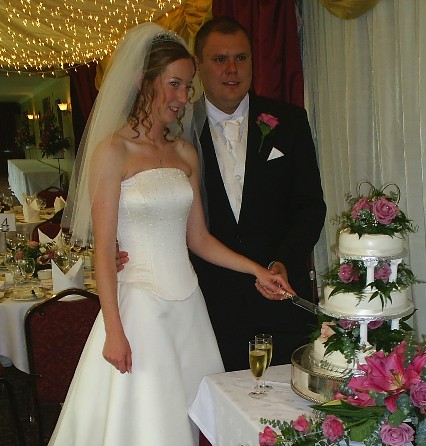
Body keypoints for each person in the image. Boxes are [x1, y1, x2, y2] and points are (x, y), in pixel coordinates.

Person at [0, 23, 293, 446]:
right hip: (139, 312)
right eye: (177, 85)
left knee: (192, 439)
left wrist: (256, 270)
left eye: (187, 87)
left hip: (188, 312)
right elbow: (105, 250)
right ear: (146, 81)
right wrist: (113, 327)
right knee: (153, 444)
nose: (186, 97)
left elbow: (202, 239)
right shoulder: (113, 152)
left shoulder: (183, 153)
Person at [118, 17, 326, 371]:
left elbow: (310, 206)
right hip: (205, 305)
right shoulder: (175, 130)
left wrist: (283, 262)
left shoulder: (289, 121)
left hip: (279, 299)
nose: (232, 69)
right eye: (219, 59)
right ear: (198, 66)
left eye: (241, 58)